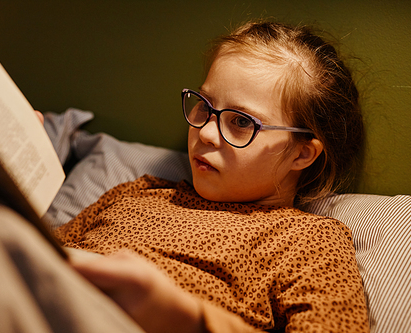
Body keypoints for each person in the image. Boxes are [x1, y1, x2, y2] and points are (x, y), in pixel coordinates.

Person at [53, 20, 368, 333]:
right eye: (204, 106)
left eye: (242, 122)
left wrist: (186, 318)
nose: (204, 132)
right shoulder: (137, 194)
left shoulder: (307, 240)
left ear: (301, 154)